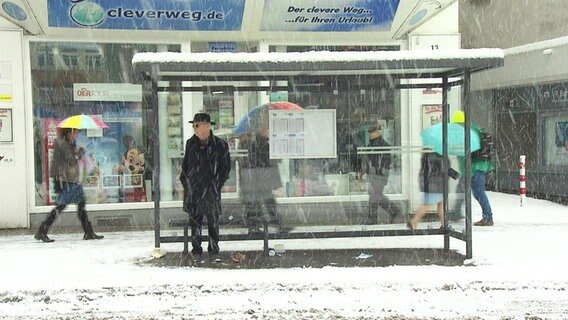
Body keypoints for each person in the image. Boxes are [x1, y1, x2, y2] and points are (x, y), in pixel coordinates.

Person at [35, 128, 104, 242]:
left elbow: (70, 159)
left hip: (70, 180)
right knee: (61, 206)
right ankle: (42, 231)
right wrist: (81, 151)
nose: (76, 134)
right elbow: (71, 161)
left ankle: (88, 232)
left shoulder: (67, 143)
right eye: (75, 132)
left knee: (80, 204)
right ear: (69, 132)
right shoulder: (63, 144)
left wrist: (77, 151)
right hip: (66, 180)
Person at [180, 112, 231, 256]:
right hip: (194, 191)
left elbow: (226, 168)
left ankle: (214, 249)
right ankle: (196, 249)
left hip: (210, 191)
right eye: (194, 126)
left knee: (212, 221)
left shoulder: (220, 145)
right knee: (195, 222)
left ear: (207, 127)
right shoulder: (191, 143)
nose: (195, 129)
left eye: (197, 125)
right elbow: (186, 166)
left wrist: (216, 184)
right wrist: (187, 183)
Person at [451, 110, 495, 226]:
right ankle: (456, 213)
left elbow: (464, 154)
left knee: (478, 192)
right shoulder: (474, 129)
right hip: (479, 165)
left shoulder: (464, 132)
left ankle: (488, 217)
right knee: (467, 191)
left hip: (473, 168)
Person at [239, 126, 281, 230]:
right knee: (259, 201)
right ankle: (265, 223)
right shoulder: (254, 144)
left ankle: (257, 224)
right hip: (257, 179)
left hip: (258, 179)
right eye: (266, 129)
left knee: (260, 201)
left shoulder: (254, 144)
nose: (268, 131)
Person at [364, 125, 399, 224]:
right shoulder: (372, 145)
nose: (370, 135)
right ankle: (392, 211)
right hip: (375, 174)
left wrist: (378, 172)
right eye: (369, 133)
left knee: (374, 195)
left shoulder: (381, 145)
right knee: (376, 195)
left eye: (372, 132)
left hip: (379, 175)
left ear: (377, 133)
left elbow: (383, 162)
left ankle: (373, 218)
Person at [407, 152, 451, 229]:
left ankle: (444, 224)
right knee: (427, 205)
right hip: (437, 184)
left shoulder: (427, 155)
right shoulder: (438, 156)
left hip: (432, 184)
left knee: (441, 205)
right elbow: (445, 169)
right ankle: (414, 221)